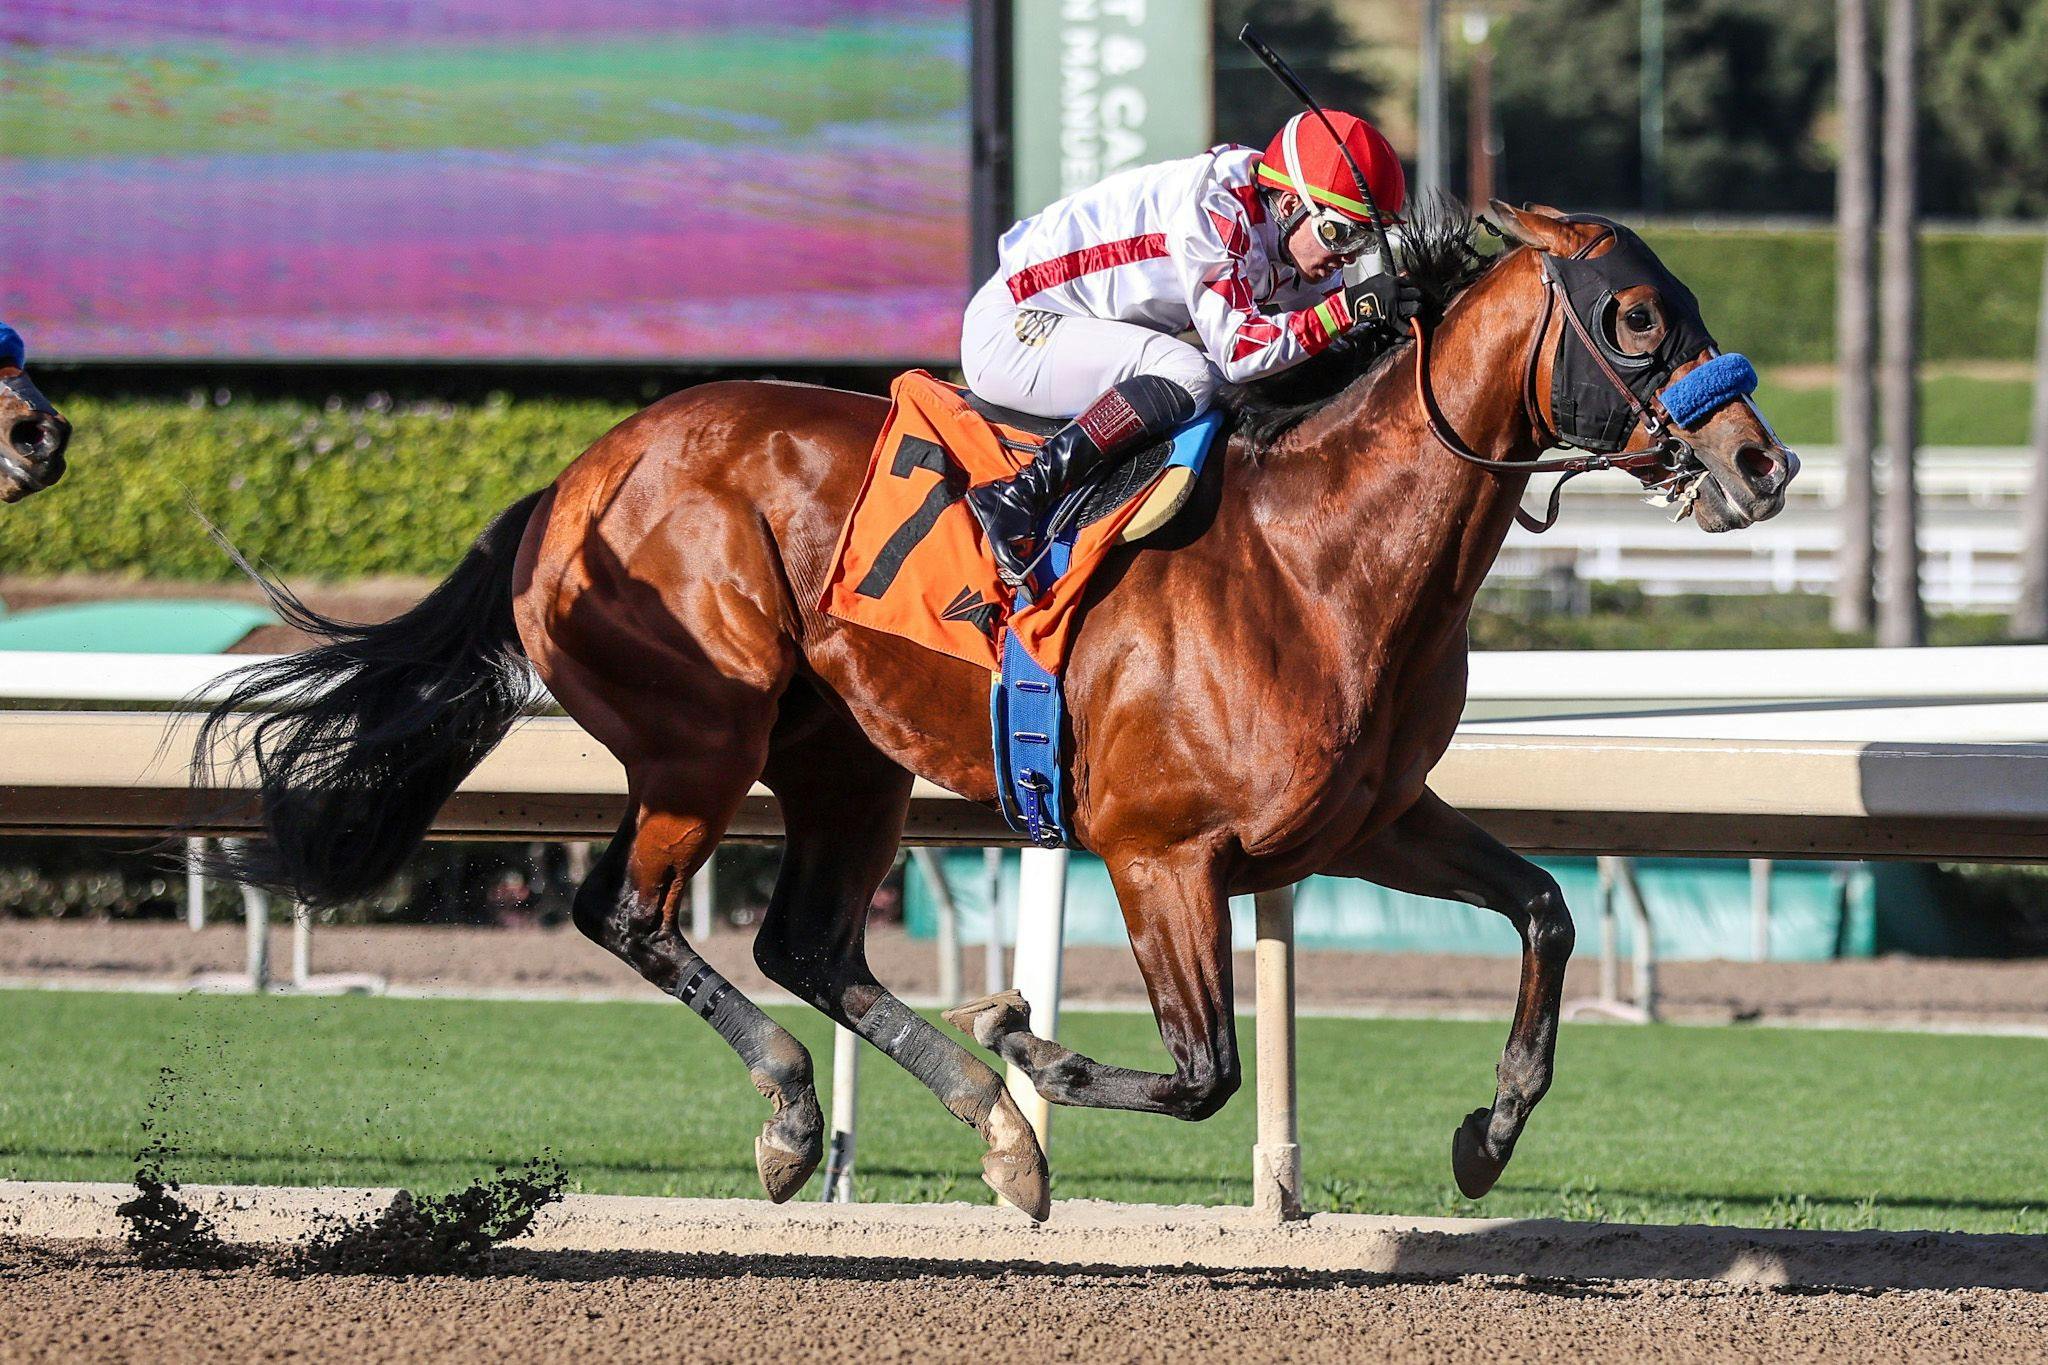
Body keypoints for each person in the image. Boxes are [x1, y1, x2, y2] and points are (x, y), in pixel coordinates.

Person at [961, 110, 1422, 582]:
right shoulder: (1215, 211)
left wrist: (1389, 328)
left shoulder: (1286, 231)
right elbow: (1242, 353)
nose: (1344, 258)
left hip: (1070, 324)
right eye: (1337, 234)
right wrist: (1349, 310)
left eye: (1362, 240)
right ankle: (1017, 498)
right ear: (1288, 206)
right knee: (1193, 374)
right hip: (1013, 328)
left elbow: (1319, 338)